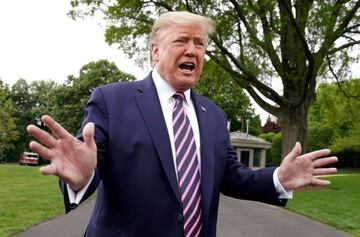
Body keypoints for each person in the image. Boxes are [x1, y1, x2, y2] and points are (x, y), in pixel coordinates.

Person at [26, 11, 337, 237]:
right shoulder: (112, 100)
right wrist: (82, 176)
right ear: (155, 51)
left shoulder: (213, 114)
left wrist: (279, 178)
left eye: (200, 44)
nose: (192, 51)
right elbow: (91, 160)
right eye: (182, 41)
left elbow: (231, 176)